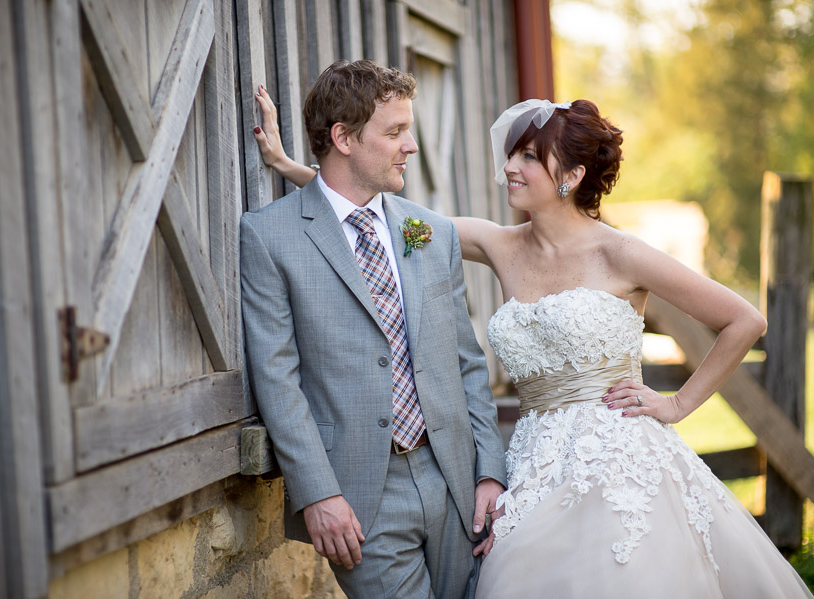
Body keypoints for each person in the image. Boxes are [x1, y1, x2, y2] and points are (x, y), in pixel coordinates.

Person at [253, 90, 814, 597]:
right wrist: (290, 167)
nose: (509, 168)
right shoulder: (496, 244)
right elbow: (378, 216)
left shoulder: (622, 254)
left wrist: (676, 404)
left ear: (570, 174)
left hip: (616, 460)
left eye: (527, 158)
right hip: (532, 459)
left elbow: (744, 321)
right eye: (512, 155)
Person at [240, 59, 507, 599]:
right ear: (343, 137)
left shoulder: (429, 232)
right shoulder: (270, 237)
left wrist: (490, 473)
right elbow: (276, 379)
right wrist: (317, 494)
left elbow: (467, 361)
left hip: (455, 481)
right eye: (395, 132)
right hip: (361, 498)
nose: (411, 146)